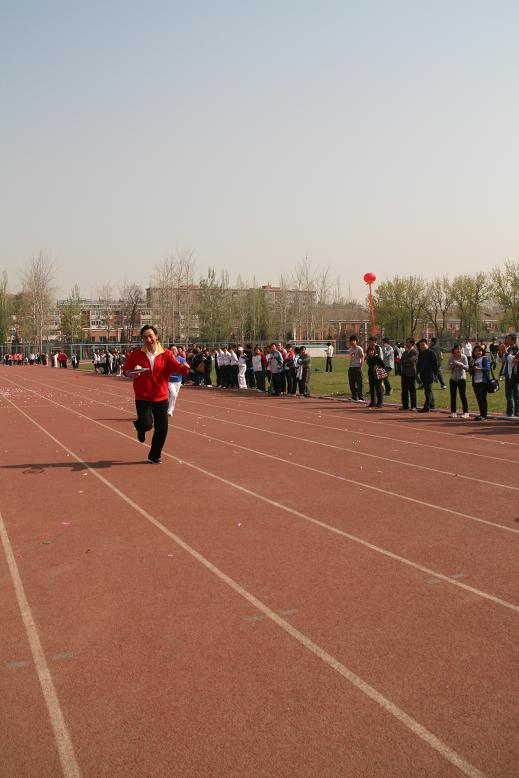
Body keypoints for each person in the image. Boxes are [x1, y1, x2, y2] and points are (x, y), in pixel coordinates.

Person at [123, 325, 190, 463]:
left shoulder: (166, 354)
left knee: (162, 429)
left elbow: (177, 367)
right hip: (143, 396)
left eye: (150, 336)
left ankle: (154, 455)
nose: (148, 339)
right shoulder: (136, 354)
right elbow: (126, 370)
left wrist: (184, 368)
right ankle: (141, 428)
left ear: (156, 336)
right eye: (144, 337)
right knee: (147, 424)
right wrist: (131, 373)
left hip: (161, 397)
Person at [497, 334, 519, 417]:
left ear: (514, 340)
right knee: (508, 395)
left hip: (515, 374)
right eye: (507, 339)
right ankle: (510, 412)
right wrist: (501, 352)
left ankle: (517, 412)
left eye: (509, 339)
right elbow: (501, 360)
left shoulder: (517, 349)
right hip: (507, 374)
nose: (507, 341)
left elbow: (513, 360)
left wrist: (506, 352)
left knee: (516, 394)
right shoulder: (508, 348)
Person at [447, 344, 470, 418]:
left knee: (463, 395)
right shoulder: (451, 357)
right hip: (453, 378)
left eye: (460, 349)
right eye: (457, 349)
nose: (458, 350)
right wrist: (453, 365)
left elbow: (467, 368)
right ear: (454, 350)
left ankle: (466, 412)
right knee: (453, 396)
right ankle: (453, 412)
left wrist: (460, 364)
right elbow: (448, 368)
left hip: (461, 378)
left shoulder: (464, 357)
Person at [470, 344, 490, 421]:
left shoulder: (484, 358)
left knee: (482, 398)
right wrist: (471, 368)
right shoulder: (474, 360)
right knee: (478, 399)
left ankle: (484, 415)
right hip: (475, 382)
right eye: (476, 351)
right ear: (474, 352)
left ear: (482, 351)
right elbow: (471, 371)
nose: (478, 352)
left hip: (483, 381)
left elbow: (487, 369)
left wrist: (479, 369)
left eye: (479, 351)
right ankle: (481, 414)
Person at [416, 339, 437, 412]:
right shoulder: (421, 353)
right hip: (423, 374)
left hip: (429, 374)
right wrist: (417, 372)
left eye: (423, 345)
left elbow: (435, 364)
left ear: (427, 345)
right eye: (420, 345)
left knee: (427, 391)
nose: (422, 346)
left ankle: (427, 407)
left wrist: (436, 374)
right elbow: (419, 364)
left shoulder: (431, 353)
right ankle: (432, 404)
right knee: (428, 390)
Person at [399, 338, 418, 411]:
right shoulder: (405, 352)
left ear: (412, 343)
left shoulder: (415, 351)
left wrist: (406, 362)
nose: (406, 344)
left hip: (411, 373)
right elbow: (401, 361)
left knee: (412, 390)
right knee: (404, 390)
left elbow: (411, 360)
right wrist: (406, 363)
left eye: (407, 342)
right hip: (404, 373)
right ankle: (405, 405)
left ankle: (413, 406)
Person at [167, 346, 186, 416]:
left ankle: (168, 408)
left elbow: (185, 369)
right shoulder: (167, 359)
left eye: (175, 349)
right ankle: (170, 410)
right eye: (172, 350)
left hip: (178, 380)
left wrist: (185, 367)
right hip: (169, 380)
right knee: (174, 395)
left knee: (174, 396)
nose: (174, 351)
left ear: (177, 351)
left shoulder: (181, 359)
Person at [365, 344, 385, 408]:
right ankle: (373, 402)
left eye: (372, 351)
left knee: (378, 389)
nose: (371, 352)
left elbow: (383, 365)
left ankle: (380, 403)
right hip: (371, 374)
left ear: (374, 351)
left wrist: (378, 368)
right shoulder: (369, 358)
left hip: (377, 375)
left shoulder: (377, 358)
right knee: (372, 389)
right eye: (370, 351)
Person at [347, 335, 365, 402]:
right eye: (351, 341)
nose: (352, 342)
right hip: (351, 368)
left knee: (359, 383)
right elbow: (351, 358)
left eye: (354, 341)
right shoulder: (350, 349)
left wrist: (361, 367)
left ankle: (361, 397)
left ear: (356, 341)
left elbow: (362, 358)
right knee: (351, 383)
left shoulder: (359, 348)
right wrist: (350, 366)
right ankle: (354, 396)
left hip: (357, 367)